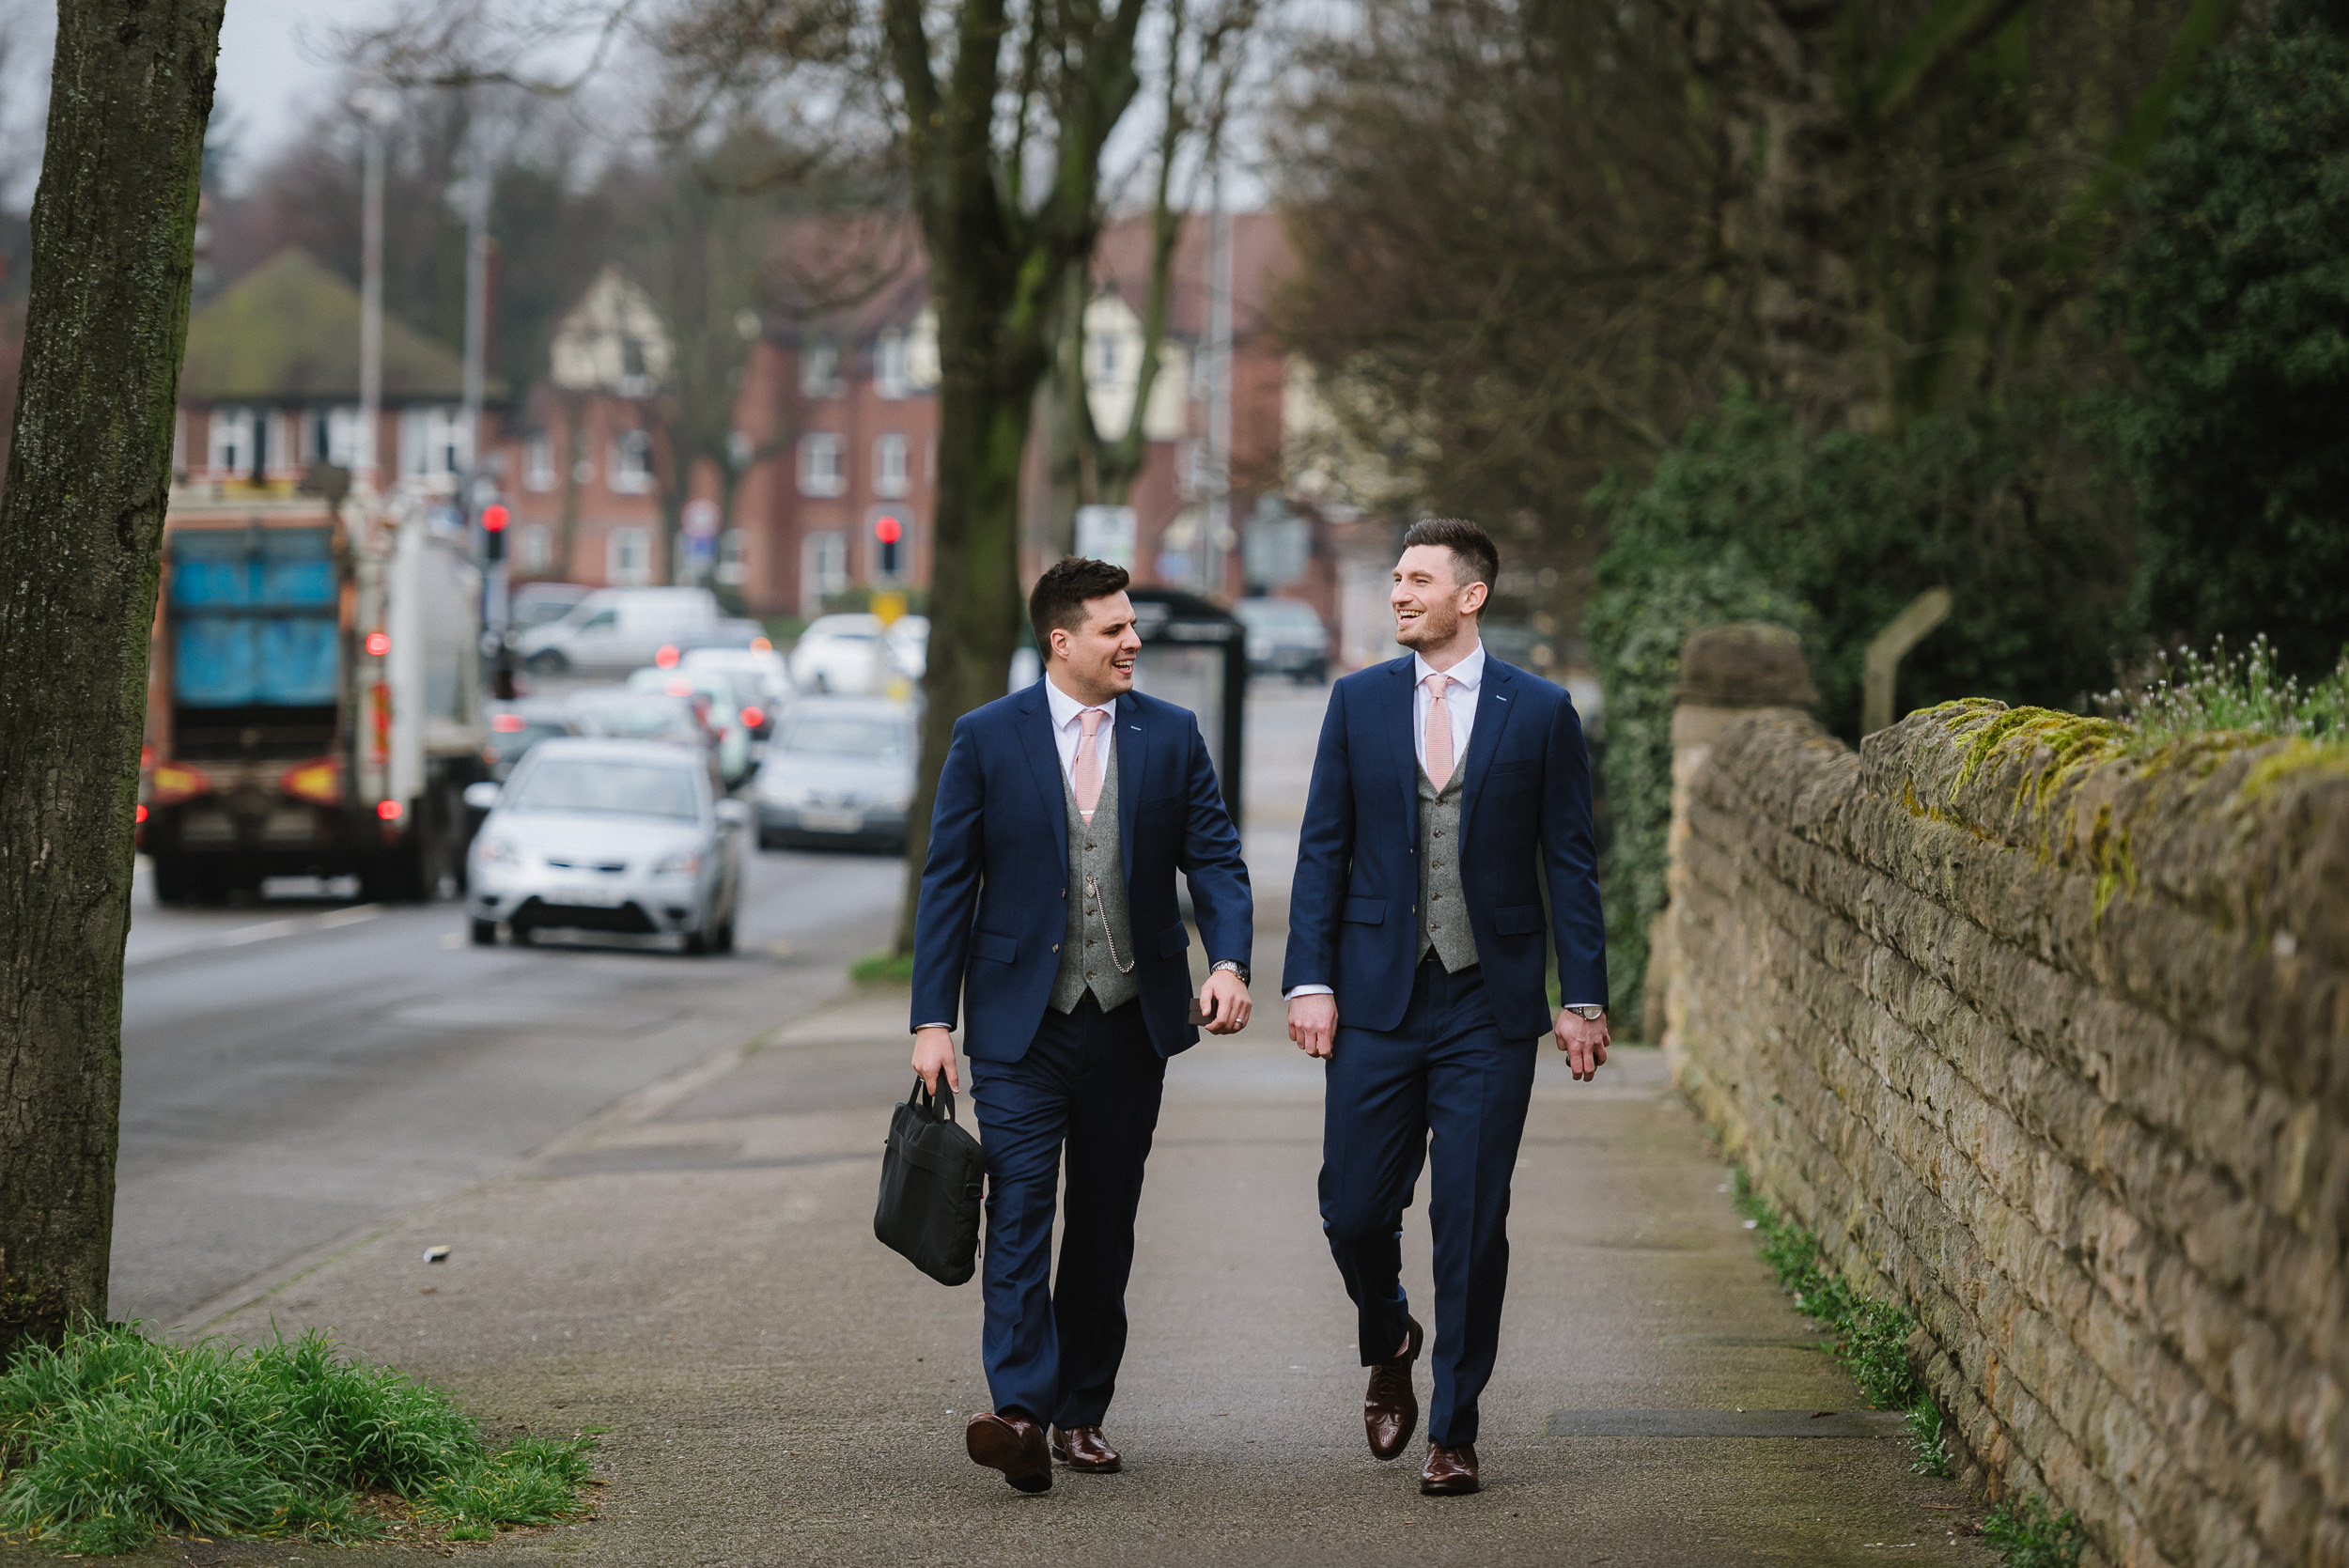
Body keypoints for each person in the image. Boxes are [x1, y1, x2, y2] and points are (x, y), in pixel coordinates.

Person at [910, 556, 1254, 1493]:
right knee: (1018, 1205)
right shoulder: (987, 736)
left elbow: (1215, 862)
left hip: (1130, 1021)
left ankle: (1081, 1410)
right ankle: (1019, 1410)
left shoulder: (1172, 736)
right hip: (1020, 1024)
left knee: (1103, 1221)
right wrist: (932, 1020)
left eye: (1131, 625)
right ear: (1061, 641)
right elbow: (948, 884)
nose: (1133, 640)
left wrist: (1226, 963)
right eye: (1113, 628)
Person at [1283, 517, 1608, 1497]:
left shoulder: (1540, 709)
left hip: (1490, 1004)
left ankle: (1455, 1427)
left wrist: (1582, 997)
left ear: (1470, 596)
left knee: (1471, 1219)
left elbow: (1570, 862)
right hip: (1377, 997)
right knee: (1350, 1207)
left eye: (1417, 579)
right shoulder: (1356, 702)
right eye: (1394, 578)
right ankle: (1388, 1332)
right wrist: (1309, 979)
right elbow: (1320, 850)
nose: (1397, 593)